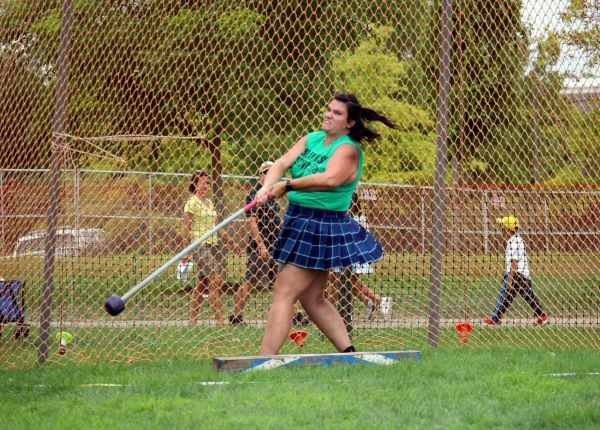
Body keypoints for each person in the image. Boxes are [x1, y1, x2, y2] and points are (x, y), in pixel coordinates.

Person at [254, 93, 397, 355]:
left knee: (284, 291)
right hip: (298, 218)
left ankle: (263, 361)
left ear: (350, 123)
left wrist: (286, 185)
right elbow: (283, 162)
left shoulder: (348, 149)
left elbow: (330, 179)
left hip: (321, 224)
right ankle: (348, 352)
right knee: (312, 298)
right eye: (328, 110)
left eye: (337, 113)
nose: (329, 115)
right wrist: (265, 188)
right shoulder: (312, 139)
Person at [229, 161, 309, 326]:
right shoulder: (254, 194)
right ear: (260, 176)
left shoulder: (273, 196)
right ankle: (236, 316)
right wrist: (261, 246)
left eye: (272, 172)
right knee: (250, 281)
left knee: (284, 282)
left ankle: (293, 315)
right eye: (266, 172)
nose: (269, 175)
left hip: (276, 247)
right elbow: (251, 222)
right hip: (260, 248)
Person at [181, 170, 238, 325]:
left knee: (202, 284)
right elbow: (186, 227)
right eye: (202, 182)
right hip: (198, 245)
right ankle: (219, 318)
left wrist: (231, 241)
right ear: (195, 183)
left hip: (212, 245)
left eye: (208, 182)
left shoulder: (209, 202)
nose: (206, 185)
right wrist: (185, 250)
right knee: (216, 278)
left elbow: (216, 226)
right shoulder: (192, 202)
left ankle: (192, 319)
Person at [328, 192, 392, 320]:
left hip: (351, 258)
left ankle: (333, 314)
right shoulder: (352, 217)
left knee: (339, 282)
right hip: (346, 257)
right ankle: (373, 302)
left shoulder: (353, 219)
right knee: (350, 284)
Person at [484, 216, 549, 326]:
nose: (501, 229)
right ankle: (542, 316)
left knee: (505, 296)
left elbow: (515, 261)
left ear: (508, 229)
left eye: (503, 227)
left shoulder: (514, 241)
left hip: (517, 275)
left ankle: (495, 320)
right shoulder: (516, 239)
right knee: (525, 297)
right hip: (522, 275)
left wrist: (510, 279)